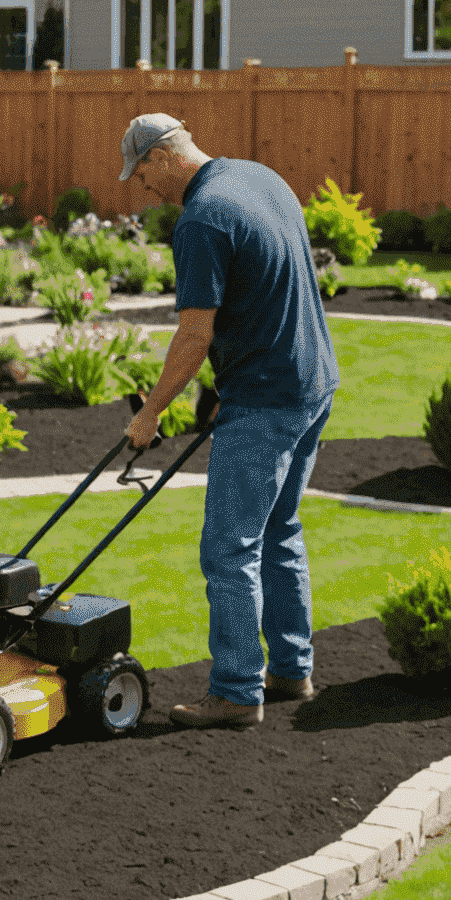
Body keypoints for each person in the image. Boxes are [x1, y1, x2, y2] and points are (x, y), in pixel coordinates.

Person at [121, 114, 338, 730]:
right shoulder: (258, 177)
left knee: (228, 547)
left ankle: (238, 690)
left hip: (265, 400)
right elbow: (271, 287)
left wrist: (152, 411)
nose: (145, 190)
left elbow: (194, 334)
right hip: (312, 380)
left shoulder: (201, 222)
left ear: (162, 157)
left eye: (142, 175)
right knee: (281, 529)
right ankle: (293, 671)